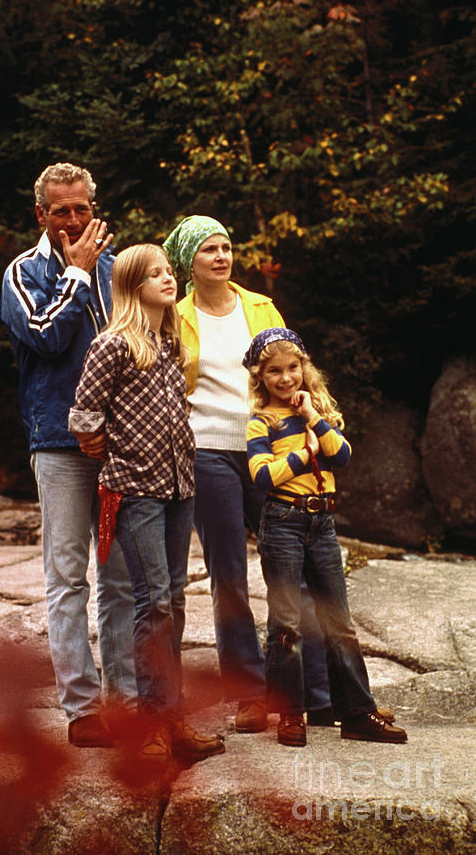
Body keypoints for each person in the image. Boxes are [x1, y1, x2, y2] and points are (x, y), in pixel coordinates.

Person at [163, 215, 333, 733]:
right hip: (207, 451)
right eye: (209, 249)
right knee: (230, 577)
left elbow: (293, 370)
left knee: (293, 571)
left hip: (270, 450)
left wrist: (315, 424)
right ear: (189, 262)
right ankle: (249, 695)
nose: (221, 257)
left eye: (226, 247)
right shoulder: (173, 315)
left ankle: (313, 694)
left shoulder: (260, 307)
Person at [69, 244, 225, 771]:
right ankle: (151, 725)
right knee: (152, 602)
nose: (167, 279)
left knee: (174, 603)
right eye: (155, 274)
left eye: (168, 271)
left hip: (180, 486)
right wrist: (112, 451)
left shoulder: (171, 342)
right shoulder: (112, 344)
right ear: (133, 286)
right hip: (135, 490)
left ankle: (172, 719)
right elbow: (83, 415)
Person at [0, 162, 136, 747]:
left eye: (82, 208)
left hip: (119, 446)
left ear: (93, 209)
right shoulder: (23, 272)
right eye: (62, 211)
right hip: (58, 444)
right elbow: (46, 336)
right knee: (66, 578)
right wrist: (77, 274)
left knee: (121, 578)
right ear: (41, 214)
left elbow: (137, 347)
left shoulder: (116, 269)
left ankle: (126, 705)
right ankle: (82, 711)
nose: (74, 220)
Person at [244, 327, 408, 746]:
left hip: (322, 524)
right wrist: (305, 453)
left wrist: (312, 418)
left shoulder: (315, 413)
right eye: (275, 371)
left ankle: (356, 713)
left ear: (305, 368)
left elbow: (343, 454)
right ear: (260, 376)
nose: (286, 378)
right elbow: (262, 476)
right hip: (282, 521)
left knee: (339, 621)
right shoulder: (261, 422)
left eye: (293, 368)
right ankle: (290, 714)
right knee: (287, 623)